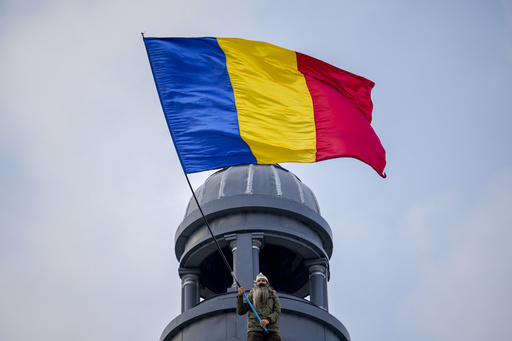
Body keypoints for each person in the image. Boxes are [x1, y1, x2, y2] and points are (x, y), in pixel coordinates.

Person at [236, 273, 282, 341]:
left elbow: (277, 313)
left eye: (263, 280)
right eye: (259, 281)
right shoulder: (250, 296)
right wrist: (240, 296)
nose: (261, 282)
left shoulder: (274, 297)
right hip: (255, 331)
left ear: (267, 284)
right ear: (256, 284)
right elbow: (241, 311)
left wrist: (267, 320)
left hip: (271, 331)